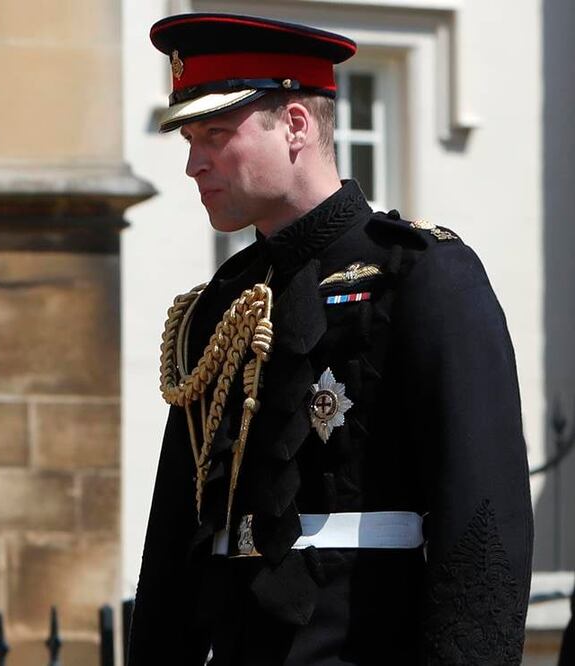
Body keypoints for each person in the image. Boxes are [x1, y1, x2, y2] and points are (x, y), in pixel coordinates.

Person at [128, 14, 533, 665]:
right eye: (188, 139)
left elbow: (481, 520)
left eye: (214, 134)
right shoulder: (221, 303)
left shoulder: (416, 273)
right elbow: (178, 527)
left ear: (294, 125)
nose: (192, 163)